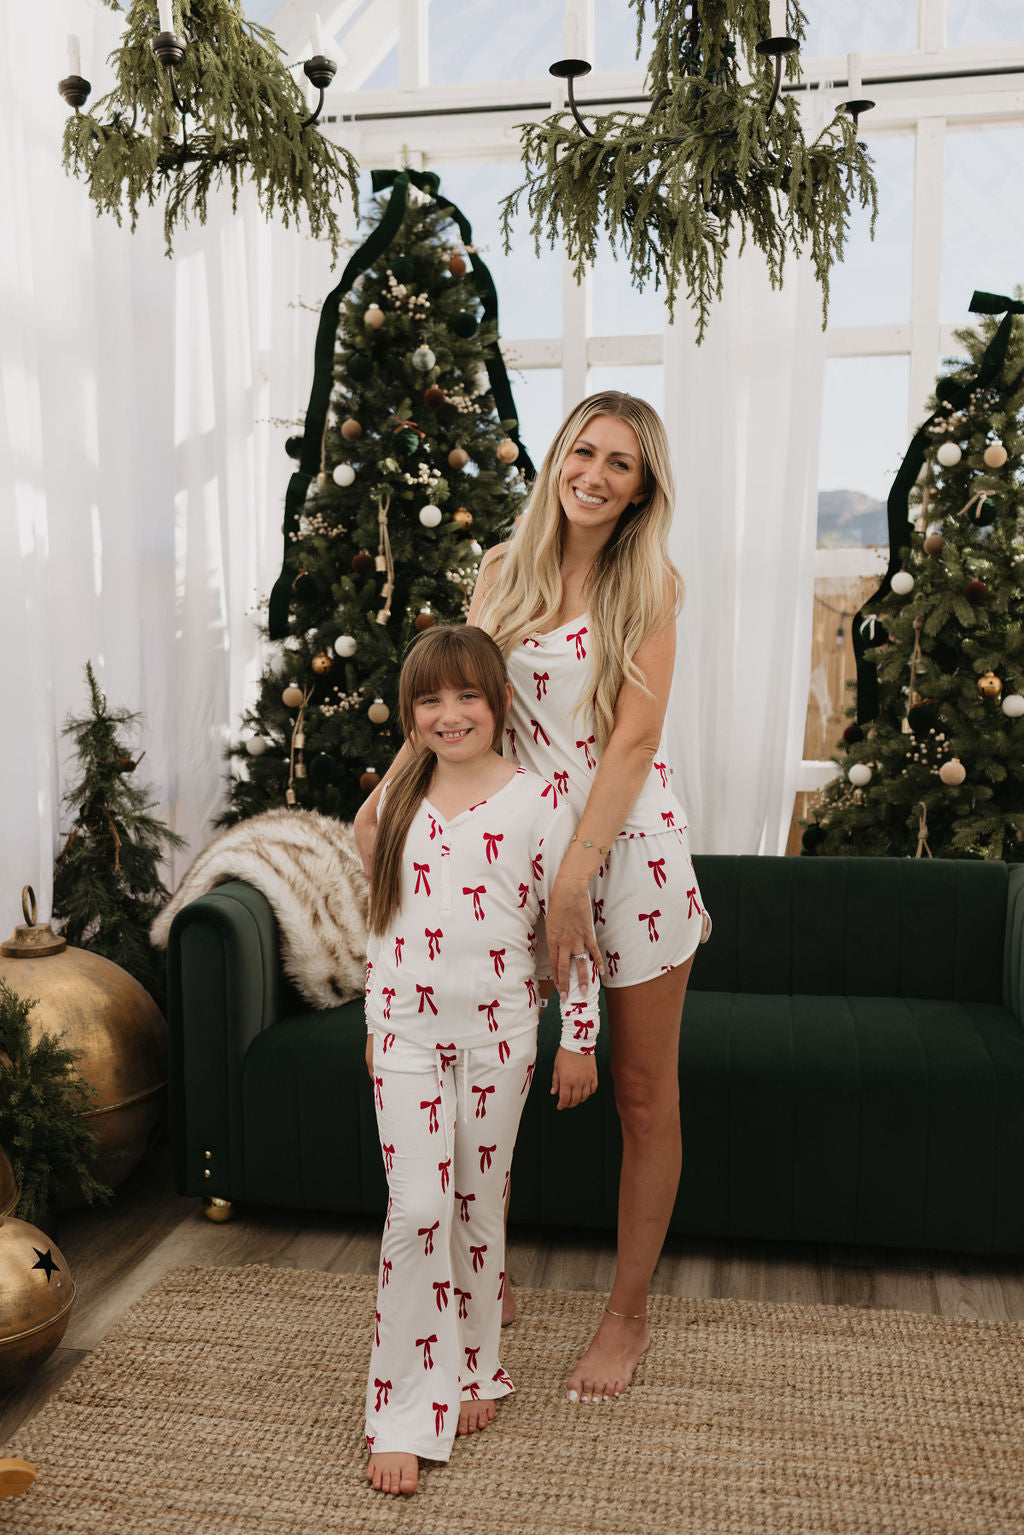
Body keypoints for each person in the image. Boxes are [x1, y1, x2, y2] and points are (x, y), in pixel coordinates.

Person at [468, 390, 709, 1405]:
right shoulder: (499, 570)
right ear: (558, 457)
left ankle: (626, 1315)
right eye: (585, 451)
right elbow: (462, 701)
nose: (596, 474)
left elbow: (633, 741)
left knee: (643, 1096)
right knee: (495, 1073)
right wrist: (391, 799)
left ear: (642, 486)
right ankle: (487, 1276)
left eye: (621, 463)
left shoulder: (649, 582)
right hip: (517, 848)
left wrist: (577, 874)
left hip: (630, 855)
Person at [362, 624, 599, 1497]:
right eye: (430, 699)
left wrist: (581, 1035)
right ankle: (397, 1410)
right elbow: (382, 923)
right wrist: (375, 1023)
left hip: (502, 1036)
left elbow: (571, 933)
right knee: (416, 1206)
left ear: (500, 702)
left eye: (468, 695)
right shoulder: (394, 805)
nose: (450, 713)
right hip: (407, 1037)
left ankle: (473, 1363)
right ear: (409, 715)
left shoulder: (538, 801)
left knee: (476, 1200)